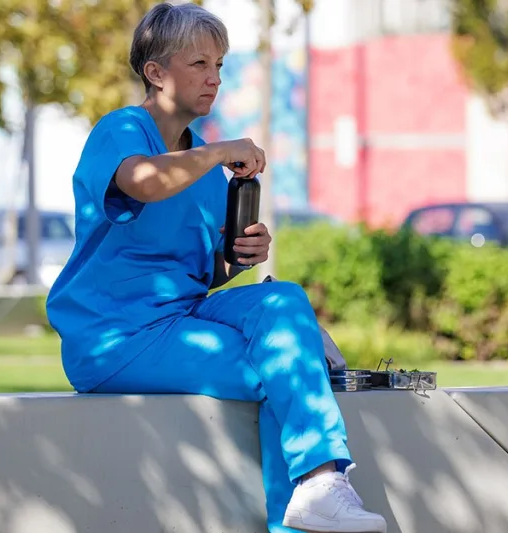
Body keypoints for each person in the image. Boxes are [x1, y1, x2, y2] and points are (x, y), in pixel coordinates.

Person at [44, 3, 388, 533]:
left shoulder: (204, 164)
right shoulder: (122, 130)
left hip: (181, 321)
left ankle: (318, 489)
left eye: (221, 65)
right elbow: (143, 181)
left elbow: (199, 273)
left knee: (283, 301)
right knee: (292, 369)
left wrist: (237, 257)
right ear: (155, 73)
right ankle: (299, 517)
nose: (214, 78)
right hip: (113, 338)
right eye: (199, 64)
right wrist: (221, 150)